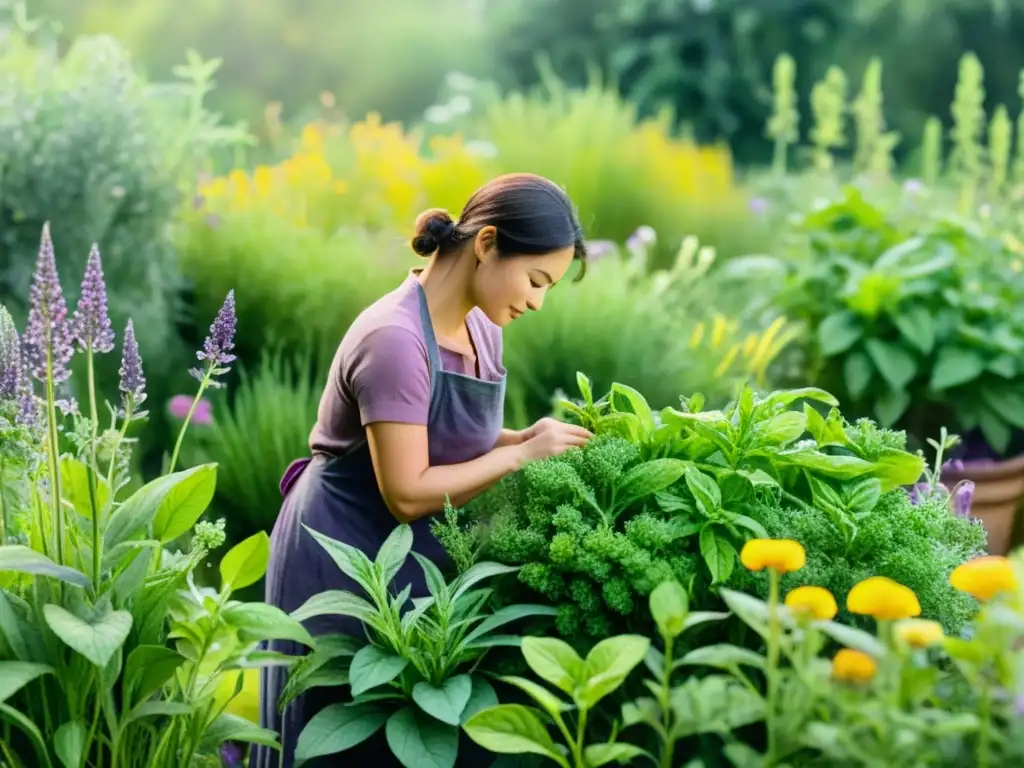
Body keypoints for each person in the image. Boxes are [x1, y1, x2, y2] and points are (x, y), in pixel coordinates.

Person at [252, 173, 593, 768]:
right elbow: (407, 492)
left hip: (414, 558)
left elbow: (454, 437)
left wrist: (526, 437)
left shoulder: (483, 326)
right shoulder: (395, 341)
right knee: (339, 731)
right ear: (486, 243)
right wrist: (517, 455)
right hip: (342, 555)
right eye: (536, 280)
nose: (538, 301)